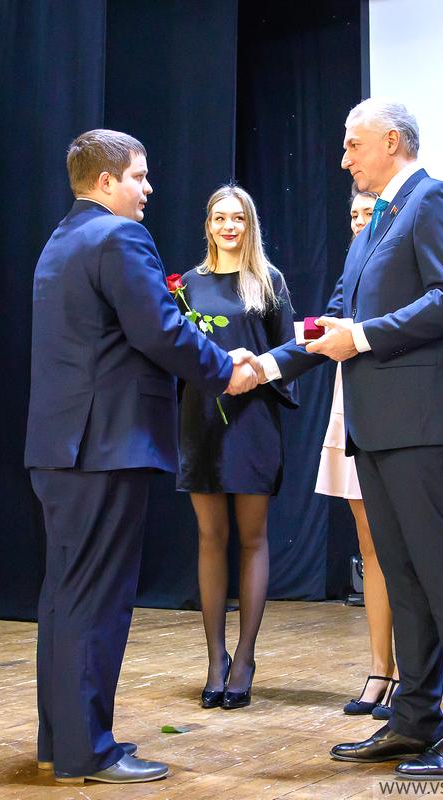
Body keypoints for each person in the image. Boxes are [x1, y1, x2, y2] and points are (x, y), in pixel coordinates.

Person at [255, 99, 443, 779]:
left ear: (391, 141)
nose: (343, 160)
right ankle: (414, 721)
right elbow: (332, 319)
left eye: (351, 145)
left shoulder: (435, 200)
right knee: (405, 580)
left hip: (422, 425)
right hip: (377, 429)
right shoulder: (373, 225)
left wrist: (361, 338)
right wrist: (265, 366)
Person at [24, 130, 257, 785]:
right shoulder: (119, 237)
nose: (148, 188)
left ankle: (61, 742)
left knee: (65, 597)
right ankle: (88, 753)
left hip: (60, 446)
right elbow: (158, 329)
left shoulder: (59, 240)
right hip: (106, 445)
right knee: (97, 601)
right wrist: (224, 371)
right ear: (106, 181)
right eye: (139, 176)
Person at [176, 185, 298, 709]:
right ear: (208, 225)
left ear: (250, 225)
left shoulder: (268, 281)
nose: (230, 226)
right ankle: (215, 659)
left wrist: (253, 371)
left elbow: (290, 352)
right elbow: (175, 352)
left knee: (251, 538)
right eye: (220, 218)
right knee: (210, 537)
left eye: (239, 218)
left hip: (253, 420)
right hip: (201, 419)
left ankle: (245, 658)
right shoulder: (186, 285)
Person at [315, 185, 398, 721]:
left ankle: (414, 677)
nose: (360, 221)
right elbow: (327, 323)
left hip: (397, 412)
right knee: (370, 548)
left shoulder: (399, 260)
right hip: (351, 409)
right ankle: (379, 670)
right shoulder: (351, 265)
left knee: (402, 550)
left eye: (370, 212)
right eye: (353, 214)